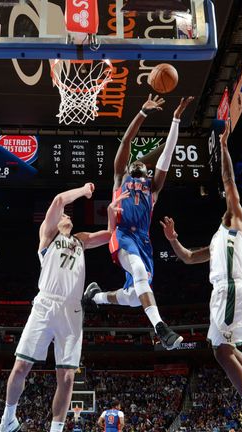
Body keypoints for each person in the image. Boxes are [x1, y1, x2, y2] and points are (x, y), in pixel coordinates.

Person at [159, 125, 242, 432]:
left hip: (229, 291)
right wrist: (174, 239)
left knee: (221, 351)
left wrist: (224, 148)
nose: (229, 209)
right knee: (225, 350)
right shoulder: (218, 241)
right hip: (227, 292)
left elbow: (229, 181)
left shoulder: (235, 223)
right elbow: (189, 257)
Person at [0, 184, 123, 432]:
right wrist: (85, 190)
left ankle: (56, 429)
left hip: (72, 310)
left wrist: (110, 211)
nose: (66, 216)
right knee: (21, 366)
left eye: (67, 215)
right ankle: (8, 419)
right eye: (64, 214)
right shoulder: (48, 235)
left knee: (66, 377)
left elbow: (110, 234)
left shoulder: (81, 240)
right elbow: (57, 200)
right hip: (45, 304)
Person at [84, 94, 194, 350]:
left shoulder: (153, 188)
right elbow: (126, 141)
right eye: (135, 161)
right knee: (139, 272)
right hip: (121, 235)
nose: (137, 163)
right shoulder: (120, 177)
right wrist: (142, 113)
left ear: (147, 171)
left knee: (135, 298)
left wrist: (176, 119)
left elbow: (166, 155)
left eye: (142, 164)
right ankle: (160, 328)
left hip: (143, 241)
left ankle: (96, 297)